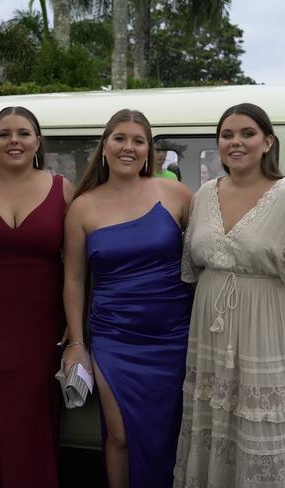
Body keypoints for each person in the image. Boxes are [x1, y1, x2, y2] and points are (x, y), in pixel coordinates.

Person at [173, 103, 285, 488]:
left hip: (267, 323)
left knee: (258, 417)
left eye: (247, 133)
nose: (236, 142)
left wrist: (275, 303)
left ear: (267, 142)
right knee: (213, 417)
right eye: (227, 135)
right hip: (211, 325)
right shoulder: (204, 194)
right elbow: (192, 266)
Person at [63, 109, 194, 487]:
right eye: (120, 138)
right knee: (118, 436)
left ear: (149, 151)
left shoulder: (175, 194)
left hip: (173, 336)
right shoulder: (83, 206)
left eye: (139, 141)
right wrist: (76, 342)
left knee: (170, 433)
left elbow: (208, 251)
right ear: (105, 146)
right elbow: (73, 279)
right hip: (114, 338)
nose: (129, 147)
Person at [0, 106, 74, 487]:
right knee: (4, 404)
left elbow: (75, 265)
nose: (14, 141)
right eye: (4, 134)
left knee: (36, 405)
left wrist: (75, 324)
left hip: (44, 315)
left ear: (38, 141)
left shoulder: (62, 188)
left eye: (23, 133)